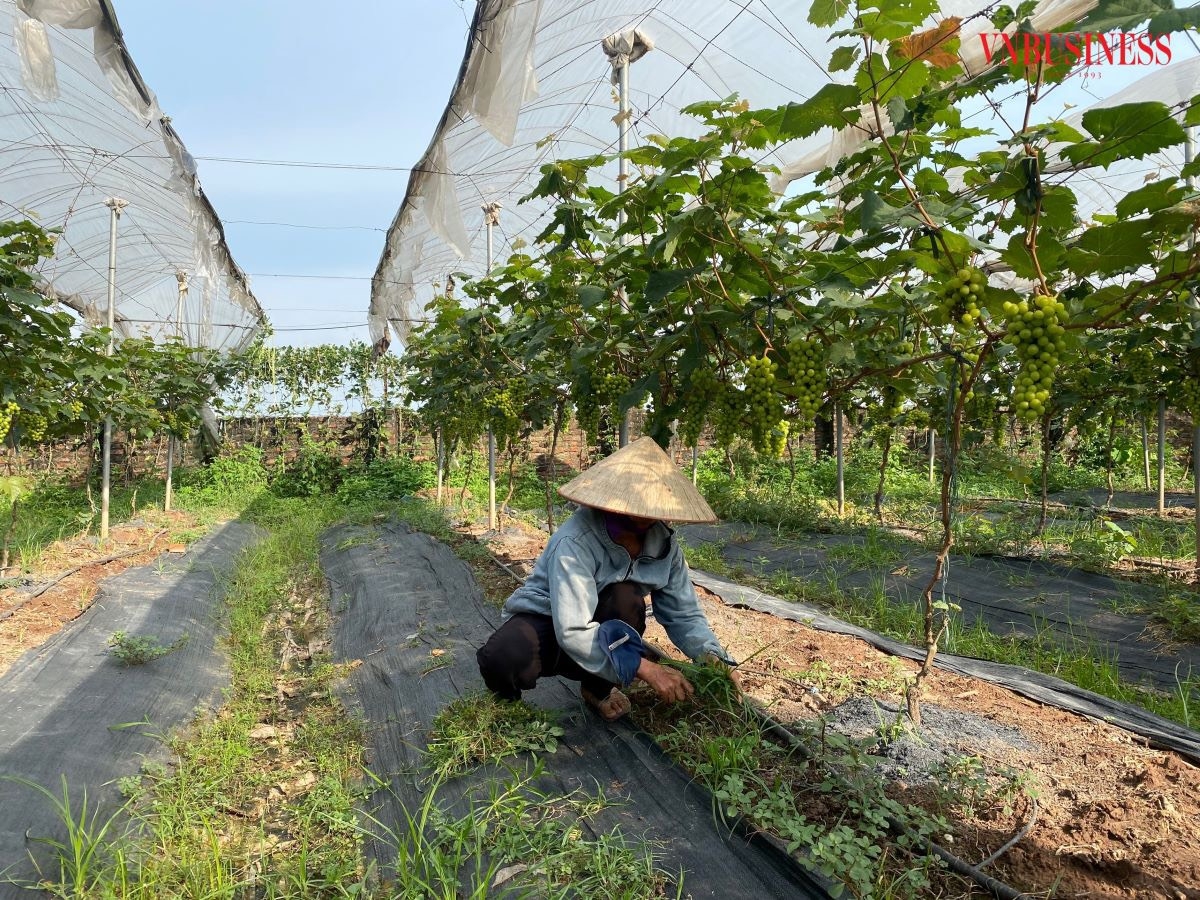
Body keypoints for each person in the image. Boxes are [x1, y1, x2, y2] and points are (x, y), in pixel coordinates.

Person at [476, 436, 739, 721]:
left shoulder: (664, 547)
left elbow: (684, 613)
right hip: (550, 621)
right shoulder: (576, 541)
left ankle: (597, 688)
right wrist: (647, 668)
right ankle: (506, 707)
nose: (645, 516)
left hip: (604, 630)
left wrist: (713, 658)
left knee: (626, 599)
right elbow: (573, 629)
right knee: (502, 656)